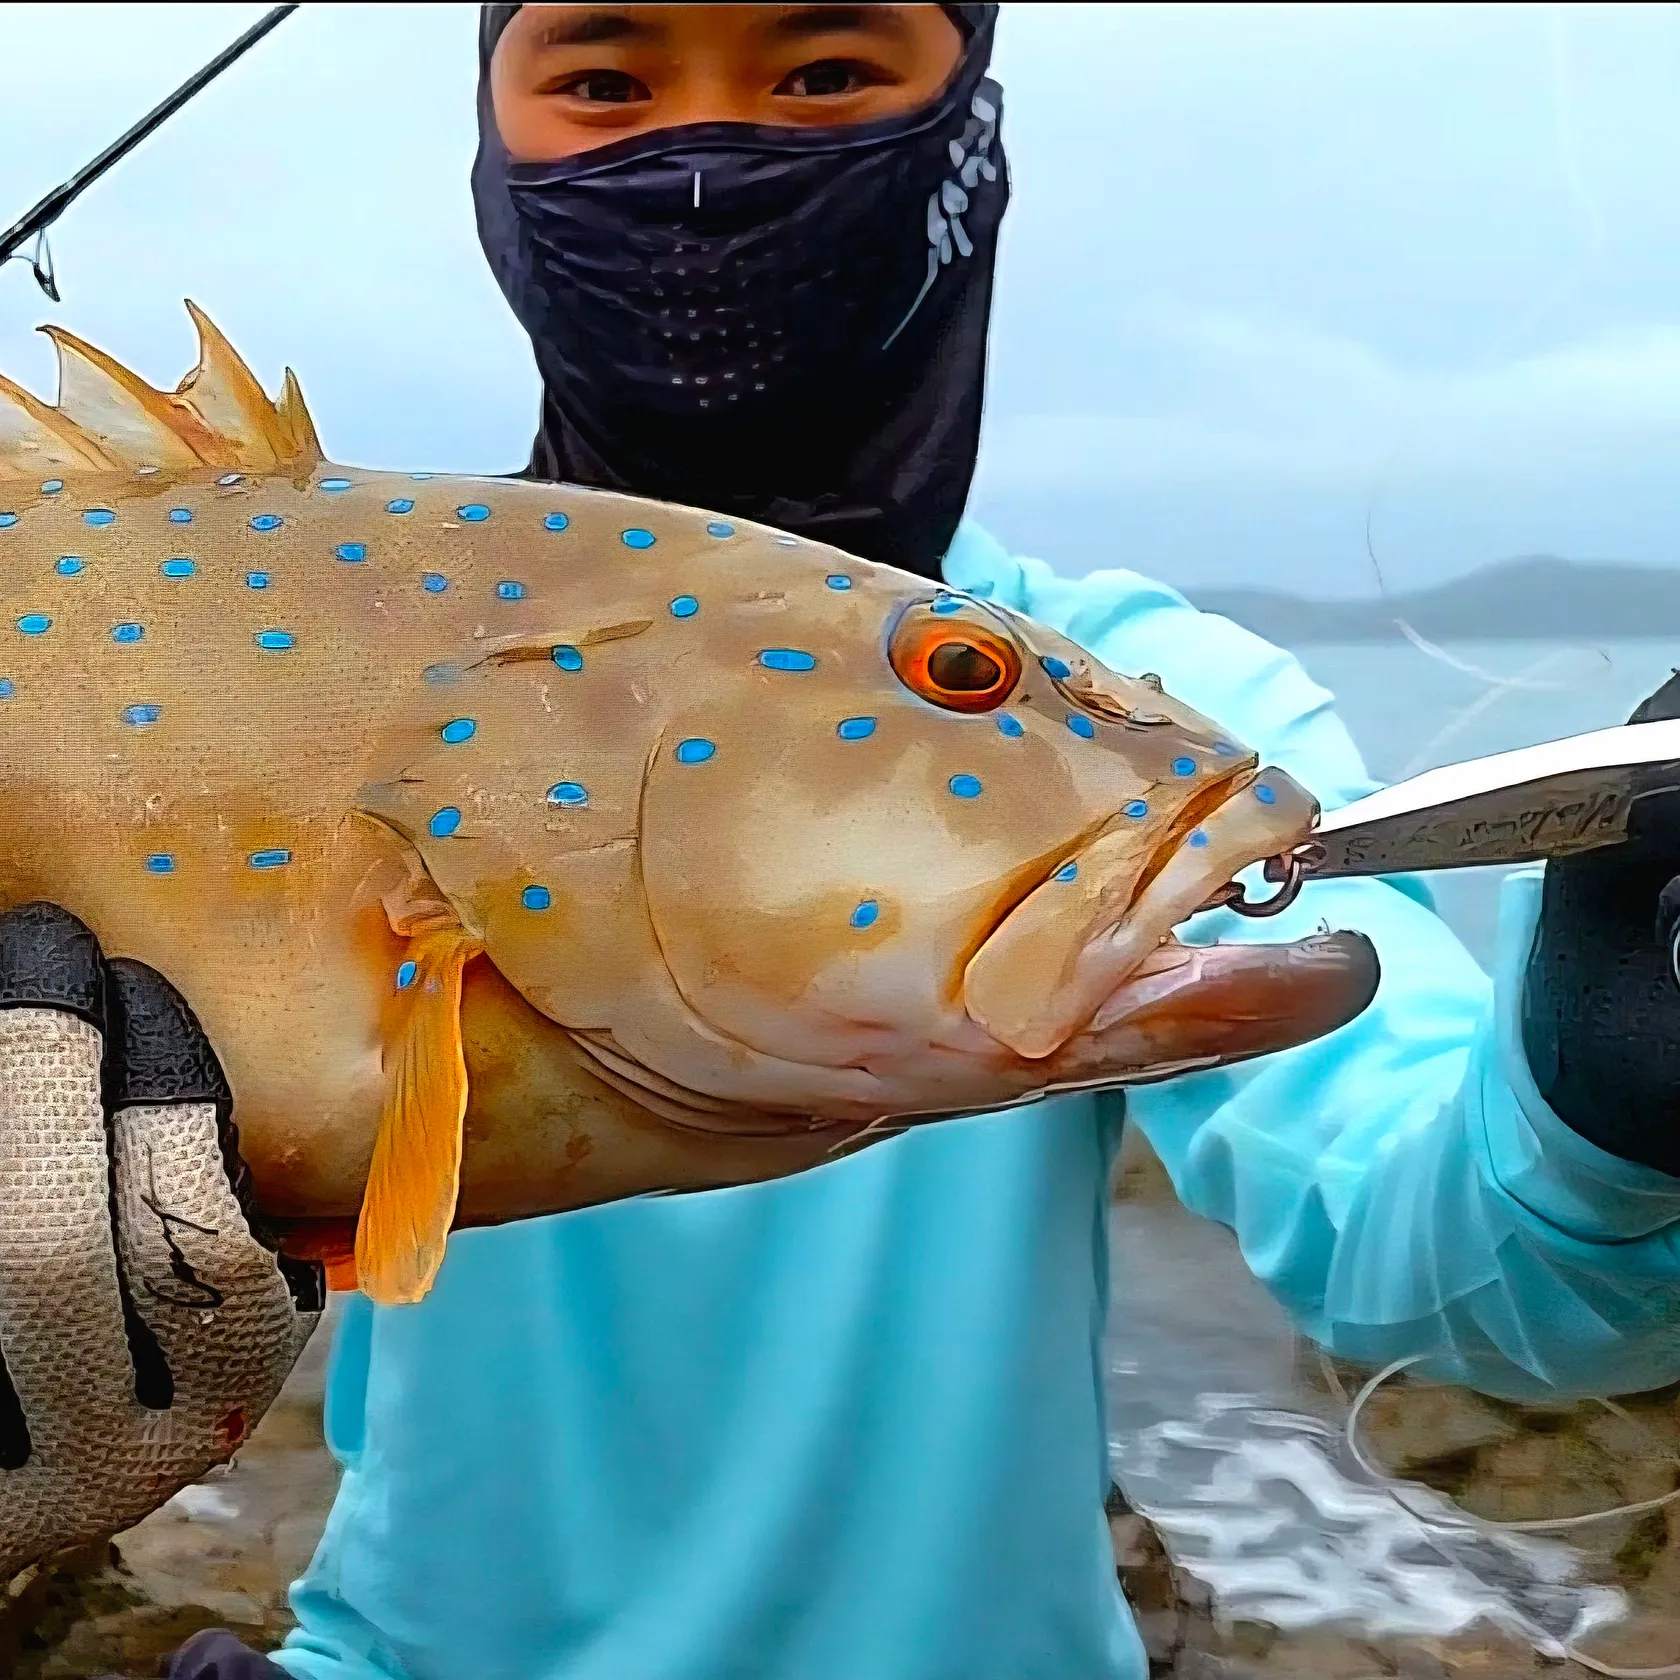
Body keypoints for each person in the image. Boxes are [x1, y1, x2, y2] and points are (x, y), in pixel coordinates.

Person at [4, 6, 1680, 1677]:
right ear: (494, 144)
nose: (711, 159)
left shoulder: (1169, 711)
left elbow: (1466, 1261)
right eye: (606, 78)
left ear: (967, 137)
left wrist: (1611, 1087)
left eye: (824, 71)